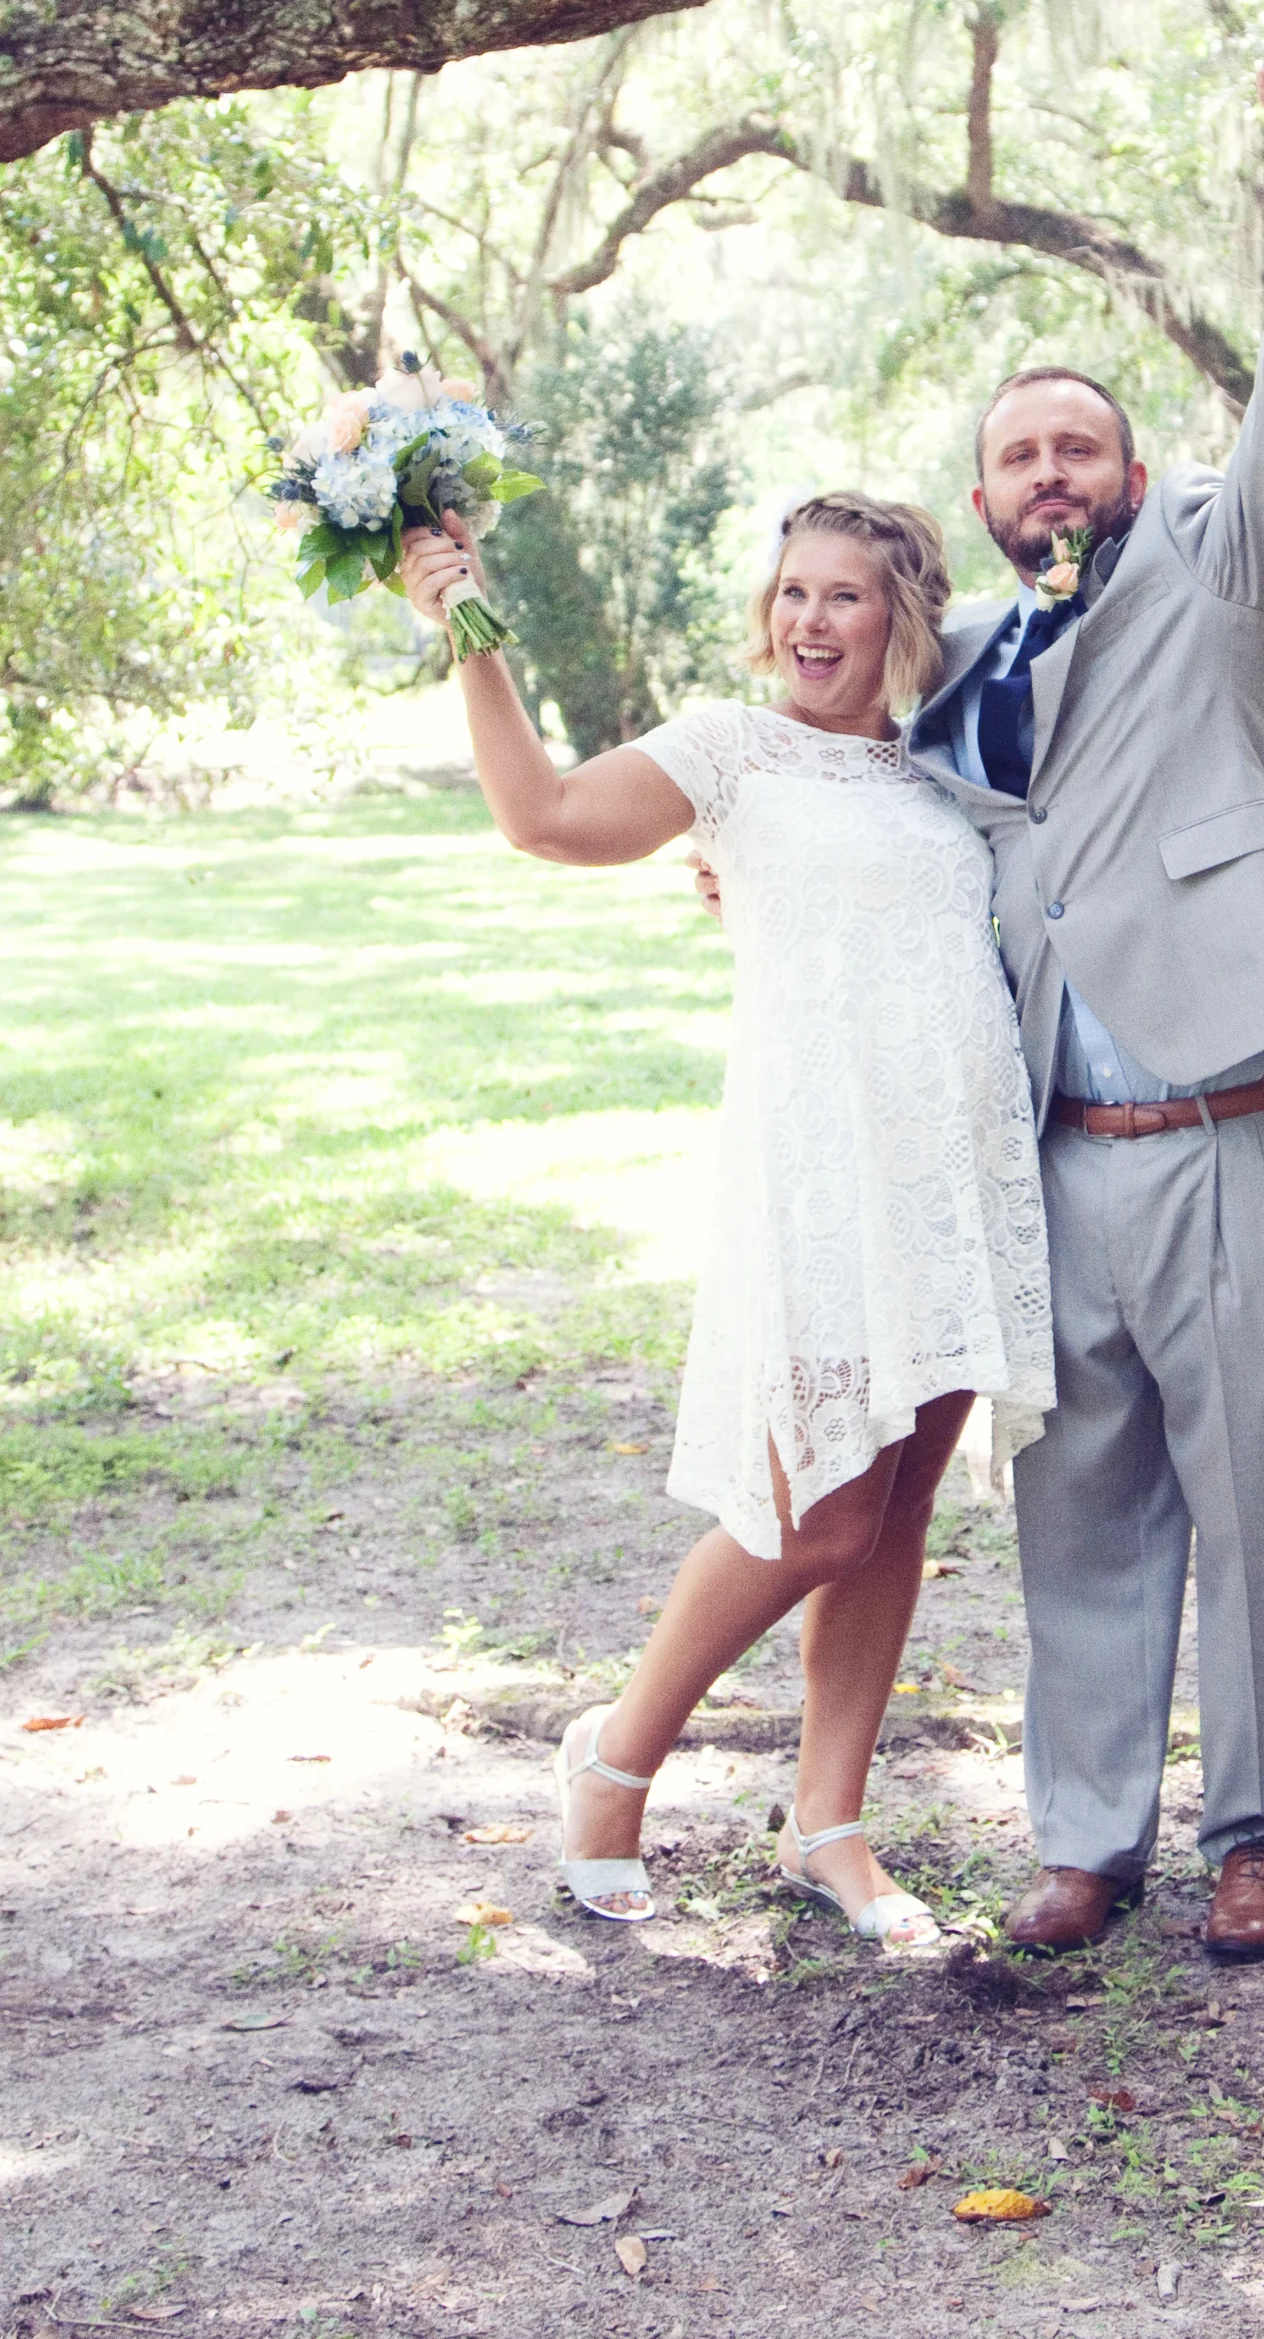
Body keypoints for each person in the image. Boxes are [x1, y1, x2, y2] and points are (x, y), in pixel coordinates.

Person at [398, 491, 1054, 1951]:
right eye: (794, 593)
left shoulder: (947, 769)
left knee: (890, 1521)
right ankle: (615, 1756)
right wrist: (469, 635)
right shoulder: (728, 751)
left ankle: (831, 1822)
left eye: (847, 597)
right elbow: (548, 819)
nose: (812, 621)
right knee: (812, 1514)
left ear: (902, 620)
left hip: (953, 1171)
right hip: (822, 1175)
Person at [910, 33, 1264, 1962]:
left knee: (1260, 1502)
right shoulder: (950, 662)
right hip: (1058, 1152)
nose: (1049, 475)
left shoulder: (1220, 559)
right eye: (1018, 456)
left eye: (1075, 444)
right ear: (988, 495)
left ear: (1133, 469)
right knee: (1081, 1511)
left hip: (1234, 1125)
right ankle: (1087, 1839)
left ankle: (1262, 1836)